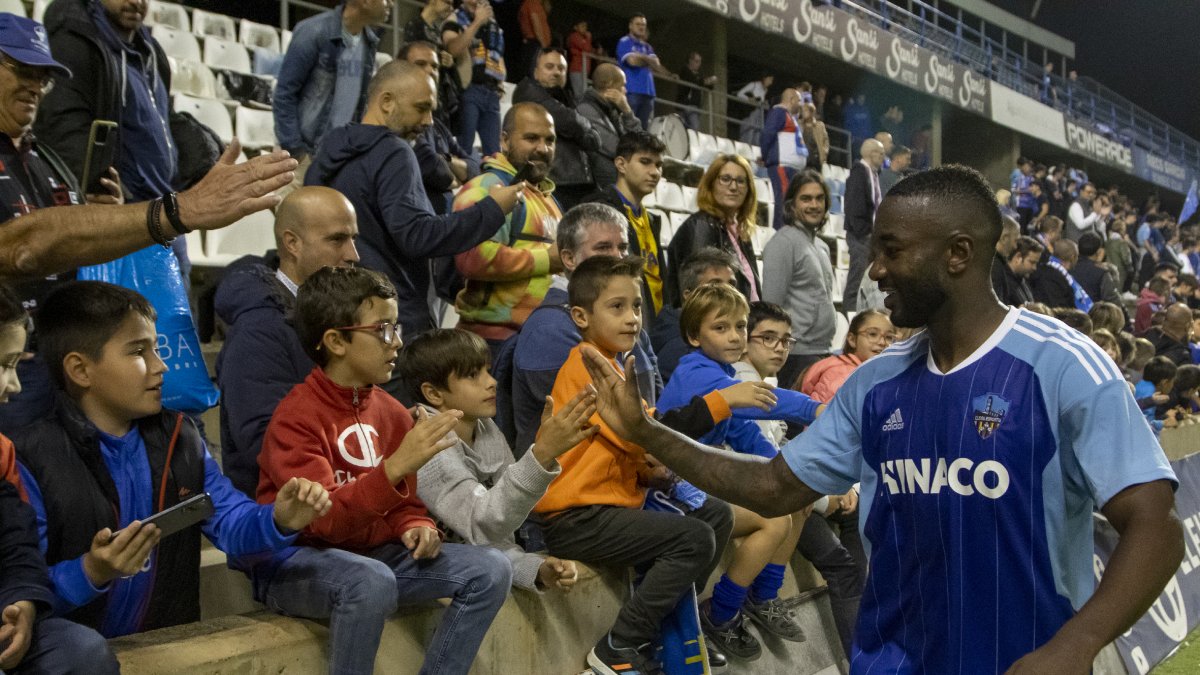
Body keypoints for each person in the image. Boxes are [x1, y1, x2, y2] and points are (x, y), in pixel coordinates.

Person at [578, 164, 1182, 674]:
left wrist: (1074, 646)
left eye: (892, 250)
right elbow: (773, 486)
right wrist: (647, 432)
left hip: (1024, 658)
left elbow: (1155, 527)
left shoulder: (1062, 365)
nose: (874, 270)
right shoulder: (875, 382)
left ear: (958, 255)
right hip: (890, 662)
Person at [12, 281, 331, 638]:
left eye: (156, 348)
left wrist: (279, 520)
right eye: (138, 352)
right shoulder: (30, 457)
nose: (160, 365)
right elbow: (20, 588)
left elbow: (230, 521)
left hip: (166, 648)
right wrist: (90, 571)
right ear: (80, 369)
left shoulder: (180, 436)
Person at [253, 266, 511, 675]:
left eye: (397, 327)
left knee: (492, 568)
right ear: (336, 341)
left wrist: (416, 524)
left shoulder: (389, 411)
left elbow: (406, 502)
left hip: (374, 557)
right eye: (383, 330)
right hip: (300, 564)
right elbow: (326, 524)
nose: (397, 343)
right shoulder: (296, 418)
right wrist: (393, 468)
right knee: (369, 581)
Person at [531, 255, 735, 675]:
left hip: (612, 506)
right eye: (617, 307)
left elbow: (638, 449)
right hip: (578, 518)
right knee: (694, 539)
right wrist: (717, 407)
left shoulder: (612, 364)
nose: (632, 319)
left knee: (715, 515)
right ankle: (620, 642)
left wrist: (653, 467)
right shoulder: (587, 366)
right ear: (580, 316)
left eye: (637, 306)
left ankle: (669, 627)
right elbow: (643, 436)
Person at [306, 61, 524, 342]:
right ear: (386, 102)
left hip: (337, 316)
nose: (429, 122)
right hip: (389, 318)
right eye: (422, 108)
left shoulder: (331, 147)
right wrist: (492, 209)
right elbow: (417, 235)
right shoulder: (395, 152)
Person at [657, 285, 819, 657]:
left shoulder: (722, 371)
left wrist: (783, 470)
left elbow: (742, 432)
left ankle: (764, 596)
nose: (734, 336)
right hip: (673, 489)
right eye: (721, 328)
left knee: (797, 499)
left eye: (741, 326)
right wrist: (814, 409)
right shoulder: (695, 372)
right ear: (694, 336)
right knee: (774, 521)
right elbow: (754, 404)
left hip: (704, 479)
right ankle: (721, 611)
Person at [0, 14, 124, 432]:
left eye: (43, 78)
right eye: (21, 70)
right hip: (12, 367)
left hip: (63, 357)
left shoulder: (48, 160)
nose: (34, 86)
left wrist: (104, 220)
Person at [402, 328, 593, 593]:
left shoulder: (484, 427)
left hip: (485, 566)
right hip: (428, 572)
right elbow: (481, 524)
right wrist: (543, 454)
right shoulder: (429, 446)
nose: (491, 382)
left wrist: (534, 569)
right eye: (473, 375)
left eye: (488, 370)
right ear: (434, 394)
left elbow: (496, 536)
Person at [0, 285, 119, 674]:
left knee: (80, 651)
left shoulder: (2, 452)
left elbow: (17, 545)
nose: (14, 386)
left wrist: (23, 605)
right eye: (4, 365)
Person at [215, 187, 360, 497]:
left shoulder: (334, 313)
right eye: (337, 239)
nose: (353, 255)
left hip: (345, 505)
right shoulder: (258, 331)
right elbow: (267, 444)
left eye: (353, 239)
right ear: (292, 243)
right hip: (286, 524)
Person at [453, 103, 565, 349]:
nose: (543, 148)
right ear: (504, 140)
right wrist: (548, 259)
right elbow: (471, 256)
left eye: (550, 140)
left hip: (533, 338)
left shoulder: (549, 198)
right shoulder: (487, 187)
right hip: (489, 343)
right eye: (531, 138)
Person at [271, 0, 388, 196]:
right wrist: (296, 149)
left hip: (336, 155)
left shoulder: (369, 41)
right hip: (303, 154)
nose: (391, 4)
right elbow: (284, 94)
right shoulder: (314, 30)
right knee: (290, 223)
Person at [762, 170, 837, 390]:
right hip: (796, 355)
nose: (814, 205)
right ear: (792, 205)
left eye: (819, 198)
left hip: (821, 349)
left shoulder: (822, 246)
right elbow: (771, 306)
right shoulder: (783, 243)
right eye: (806, 198)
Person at [583, 131, 668, 324]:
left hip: (655, 324)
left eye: (659, 165)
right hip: (622, 321)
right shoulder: (599, 209)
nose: (655, 172)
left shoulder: (652, 220)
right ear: (621, 164)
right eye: (645, 162)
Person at [666, 154, 762, 305]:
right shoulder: (701, 226)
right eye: (725, 179)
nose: (733, 187)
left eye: (741, 181)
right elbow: (703, 294)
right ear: (711, 184)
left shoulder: (740, 232)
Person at [512, 47, 600, 209]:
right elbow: (570, 121)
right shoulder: (528, 91)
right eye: (549, 67)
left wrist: (581, 129)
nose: (556, 72)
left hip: (579, 182)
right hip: (555, 183)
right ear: (536, 71)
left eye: (561, 68)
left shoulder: (567, 98)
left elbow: (595, 139)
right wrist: (583, 128)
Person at [399, 40, 479, 216]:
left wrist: (446, 159)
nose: (430, 71)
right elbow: (433, 169)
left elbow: (475, 168)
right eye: (420, 64)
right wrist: (455, 176)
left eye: (435, 66)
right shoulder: (399, 118)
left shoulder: (437, 125)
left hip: (443, 226)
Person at [652, 248, 738, 384]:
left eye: (732, 285)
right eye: (715, 285)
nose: (729, 293)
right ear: (689, 296)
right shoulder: (679, 347)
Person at [799, 310, 895, 402]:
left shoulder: (876, 372)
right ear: (852, 339)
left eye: (889, 337)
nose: (882, 342)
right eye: (873, 334)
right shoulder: (840, 375)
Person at [577, 63, 643, 190]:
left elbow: (640, 143)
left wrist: (627, 112)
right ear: (610, 85)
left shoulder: (613, 111)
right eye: (623, 85)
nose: (625, 91)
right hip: (602, 188)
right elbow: (618, 148)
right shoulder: (586, 110)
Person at [454, 0, 507, 157]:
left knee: (494, 153)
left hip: (491, 92)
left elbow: (497, 54)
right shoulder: (457, 18)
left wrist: (500, 81)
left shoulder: (492, 24)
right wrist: (477, 21)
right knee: (465, 147)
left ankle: (491, 182)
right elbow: (456, 49)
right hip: (470, 89)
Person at [842, 138, 885, 310]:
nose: (883, 157)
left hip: (868, 235)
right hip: (860, 235)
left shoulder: (871, 174)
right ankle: (850, 314)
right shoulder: (859, 173)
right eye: (881, 153)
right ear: (870, 153)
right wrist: (863, 232)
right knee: (857, 277)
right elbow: (855, 204)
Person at [761, 88, 807, 230]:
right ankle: (781, 231)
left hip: (791, 167)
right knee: (784, 199)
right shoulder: (779, 113)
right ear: (791, 99)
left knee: (790, 200)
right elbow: (768, 134)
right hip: (782, 165)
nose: (800, 104)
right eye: (799, 100)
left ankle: (788, 230)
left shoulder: (789, 116)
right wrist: (765, 156)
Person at [617, 13, 670, 128]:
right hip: (631, 91)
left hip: (649, 93)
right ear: (630, 26)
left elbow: (656, 64)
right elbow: (632, 61)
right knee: (628, 127)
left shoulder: (648, 47)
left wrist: (640, 57)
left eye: (643, 25)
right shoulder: (624, 41)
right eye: (638, 24)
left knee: (644, 130)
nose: (641, 27)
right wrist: (648, 60)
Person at [1073, 232, 1122, 307]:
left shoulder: (1068, 268)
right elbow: (1113, 301)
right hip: (1093, 315)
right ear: (1099, 251)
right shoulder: (1101, 273)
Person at [995, 236, 1043, 308]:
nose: (1034, 268)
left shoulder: (1023, 280)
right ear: (1018, 257)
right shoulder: (1002, 281)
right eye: (1032, 262)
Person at [676, 51, 717, 131]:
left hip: (693, 105)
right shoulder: (685, 70)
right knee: (686, 128)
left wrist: (707, 81)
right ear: (690, 61)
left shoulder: (699, 74)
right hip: (684, 104)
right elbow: (694, 81)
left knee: (692, 129)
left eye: (700, 62)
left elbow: (709, 86)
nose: (699, 64)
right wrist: (708, 80)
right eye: (697, 61)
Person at [516, 0, 551, 79]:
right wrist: (543, 44)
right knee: (534, 74)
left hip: (534, 43)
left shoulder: (534, 4)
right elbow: (535, 22)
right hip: (535, 44)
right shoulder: (532, 3)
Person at [565, 19, 598, 99]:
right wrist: (589, 38)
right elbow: (586, 48)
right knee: (579, 95)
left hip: (583, 70)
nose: (585, 28)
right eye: (582, 26)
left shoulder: (583, 38)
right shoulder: (574, 36)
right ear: (576, 27)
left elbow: (591, 50)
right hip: (577, 69)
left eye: (586, 26)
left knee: (584, 94)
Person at [799, 102, 828, 171]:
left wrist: (824, 154)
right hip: (802, 159)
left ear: (812, 112)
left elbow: (825, 141)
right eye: (802, 111)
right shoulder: (799, 124)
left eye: (805, 110)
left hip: (816, 160)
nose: (803, 113)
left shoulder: (820, 126)